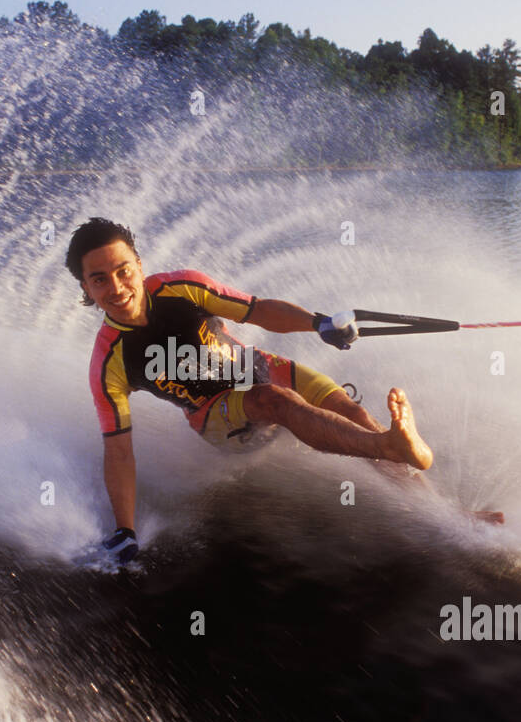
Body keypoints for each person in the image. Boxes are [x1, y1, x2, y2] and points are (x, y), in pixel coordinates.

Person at [67, 217, 437, 564]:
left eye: (123, 271)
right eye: (99, 279)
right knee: (274, 400)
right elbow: (118, 454)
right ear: (85, 288)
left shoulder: (183, 287)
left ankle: (445, 514)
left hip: (256, 367)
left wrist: (320, 323)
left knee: (354, 414)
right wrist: (125, 530)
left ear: (139, 264)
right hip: (217, 417)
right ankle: (386, 446)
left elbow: (258, 311)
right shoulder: (108, 363)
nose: (116, 287)